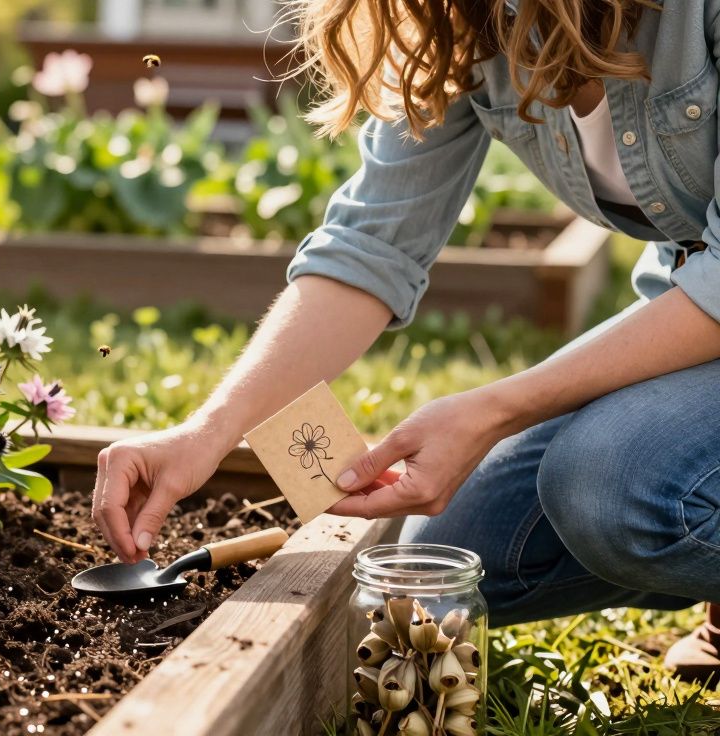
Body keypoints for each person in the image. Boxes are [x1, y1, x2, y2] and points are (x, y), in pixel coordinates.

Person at [90, 0, 720, 679]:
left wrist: (495, 409)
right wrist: (209, 430)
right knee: (450, 555)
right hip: (692, 304)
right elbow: (371, 246)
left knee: (611, 485)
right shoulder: (466, 22)